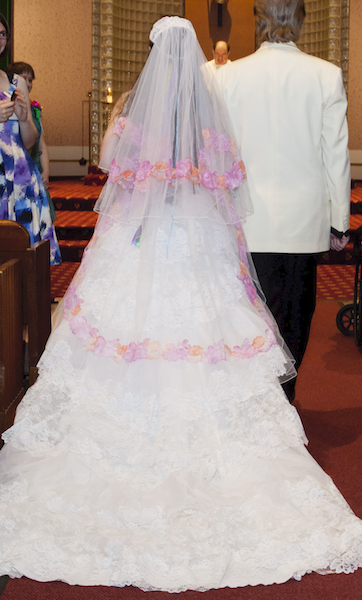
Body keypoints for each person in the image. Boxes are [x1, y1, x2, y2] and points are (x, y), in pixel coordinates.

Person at [0, 16, 361, 592]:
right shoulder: (207, 115)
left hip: (140, 241)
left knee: (120, 333)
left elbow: (114, 176)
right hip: (196, 239)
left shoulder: (131, 119)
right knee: (212, 330)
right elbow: (224, 181)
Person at [216, 0, 350, 402]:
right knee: (295, 316)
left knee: (250, 319)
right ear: (301, 22)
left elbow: (220, 153)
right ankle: (284, 399)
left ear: (258, 22)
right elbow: (336, 156)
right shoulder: (326, 75)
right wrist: (339, 222)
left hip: (246, 219)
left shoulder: (228, 77)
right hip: (302, 221)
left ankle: (258, 402)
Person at [0, 15, 61, 264]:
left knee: (24, 257)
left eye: (2, 33)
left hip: (20, 178)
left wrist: (25, 120)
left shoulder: (16, 83)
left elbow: (28, 142)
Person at [5, 61, 57, 220]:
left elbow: (41, 143)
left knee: (41, 216)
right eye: (24, 78)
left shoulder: (34, 110)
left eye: (30, 80)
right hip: (16, 165)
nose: (28, 83)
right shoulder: (7, 105)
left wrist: (46, 171)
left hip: (34, 167)